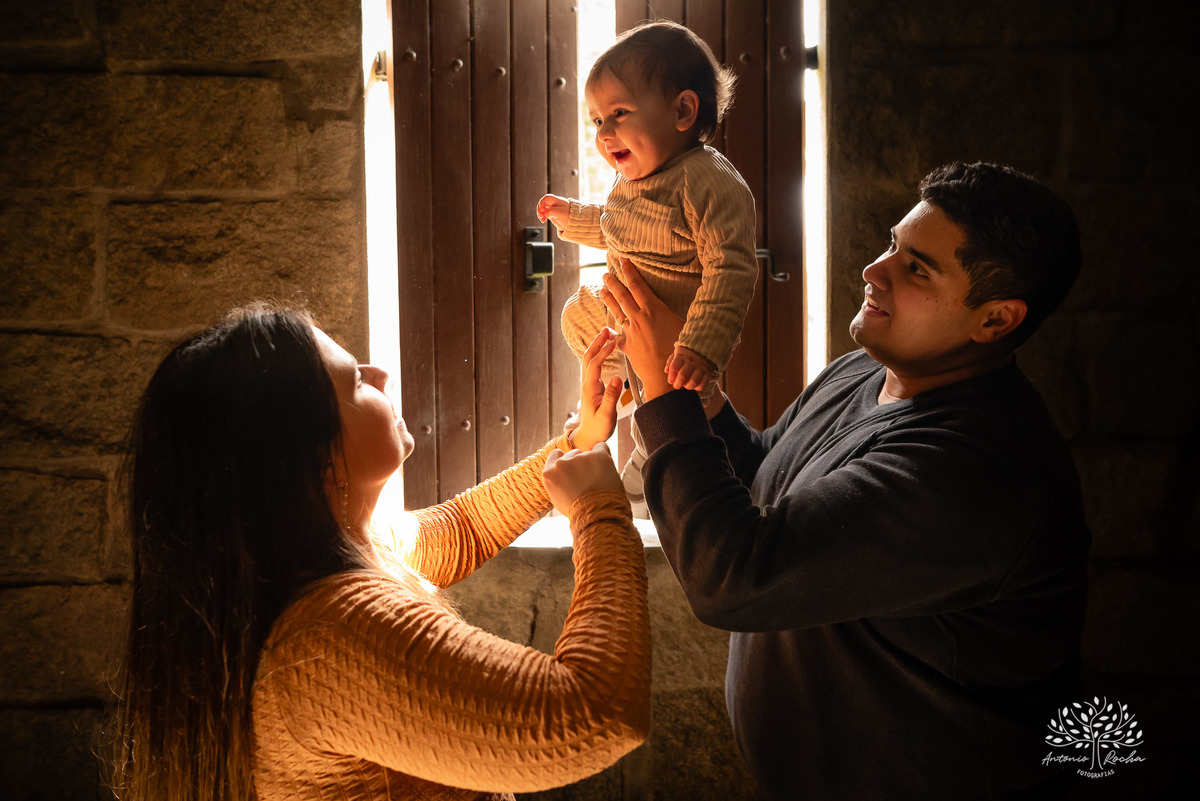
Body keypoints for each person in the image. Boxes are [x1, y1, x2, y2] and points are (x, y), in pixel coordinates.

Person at [600, 162, 1091, 799]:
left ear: (995, 320)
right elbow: (765, 481)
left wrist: (663, 397)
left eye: (918, 268)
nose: (875, 269)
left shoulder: (978, 470)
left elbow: (733, 578)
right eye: (893, 245)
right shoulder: (866, 369)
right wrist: (702, 396)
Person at [111, 304, 649, 801]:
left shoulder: (345, 550)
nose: (380, 375)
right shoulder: (330, 638)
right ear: (319, 462)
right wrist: (600, 510)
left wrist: (577, 446)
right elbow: (593, 714)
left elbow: (462, 527)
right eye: (354, 382)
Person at [537, 20, 758, 514]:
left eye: (618, 113)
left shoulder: (708, 182)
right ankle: (620, 399)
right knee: (578, 313)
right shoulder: (634, 183)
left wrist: (700, 346)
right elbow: (614, 226)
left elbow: (731, 270)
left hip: (675, 335)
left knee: (676, 410)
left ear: (682, 111)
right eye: (596, 120)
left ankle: (651, 466)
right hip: (625, 320)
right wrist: (572, 217)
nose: (605, 132)